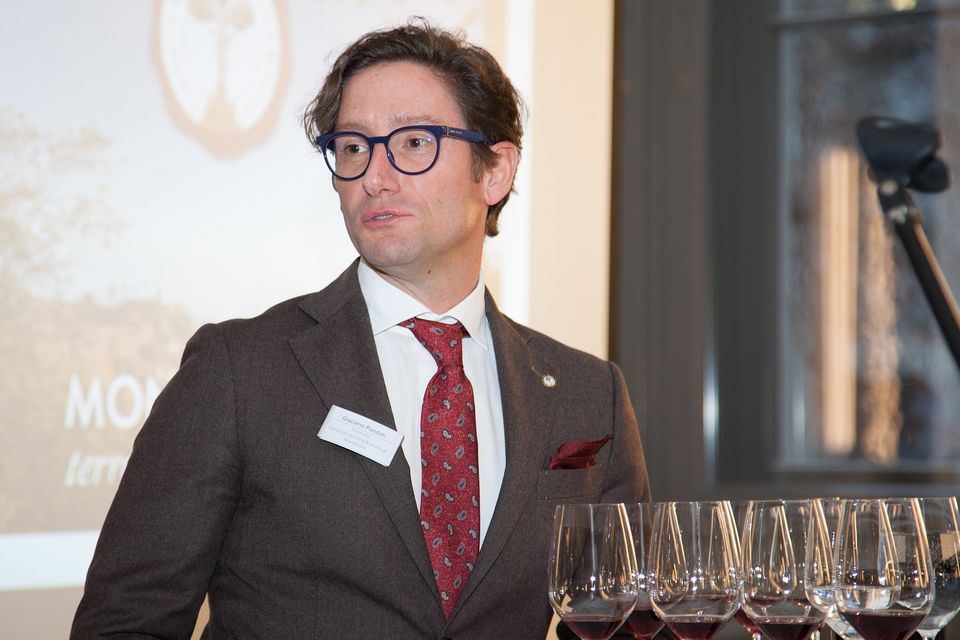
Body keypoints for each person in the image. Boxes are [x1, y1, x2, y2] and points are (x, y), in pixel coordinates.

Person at [71, 19, 650, 640]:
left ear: (495, 171)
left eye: (414, 142)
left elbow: (634, 621)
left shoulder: (587, 394)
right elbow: (125, 623)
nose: (374, 176)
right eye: (352, 147)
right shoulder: (239, 370)